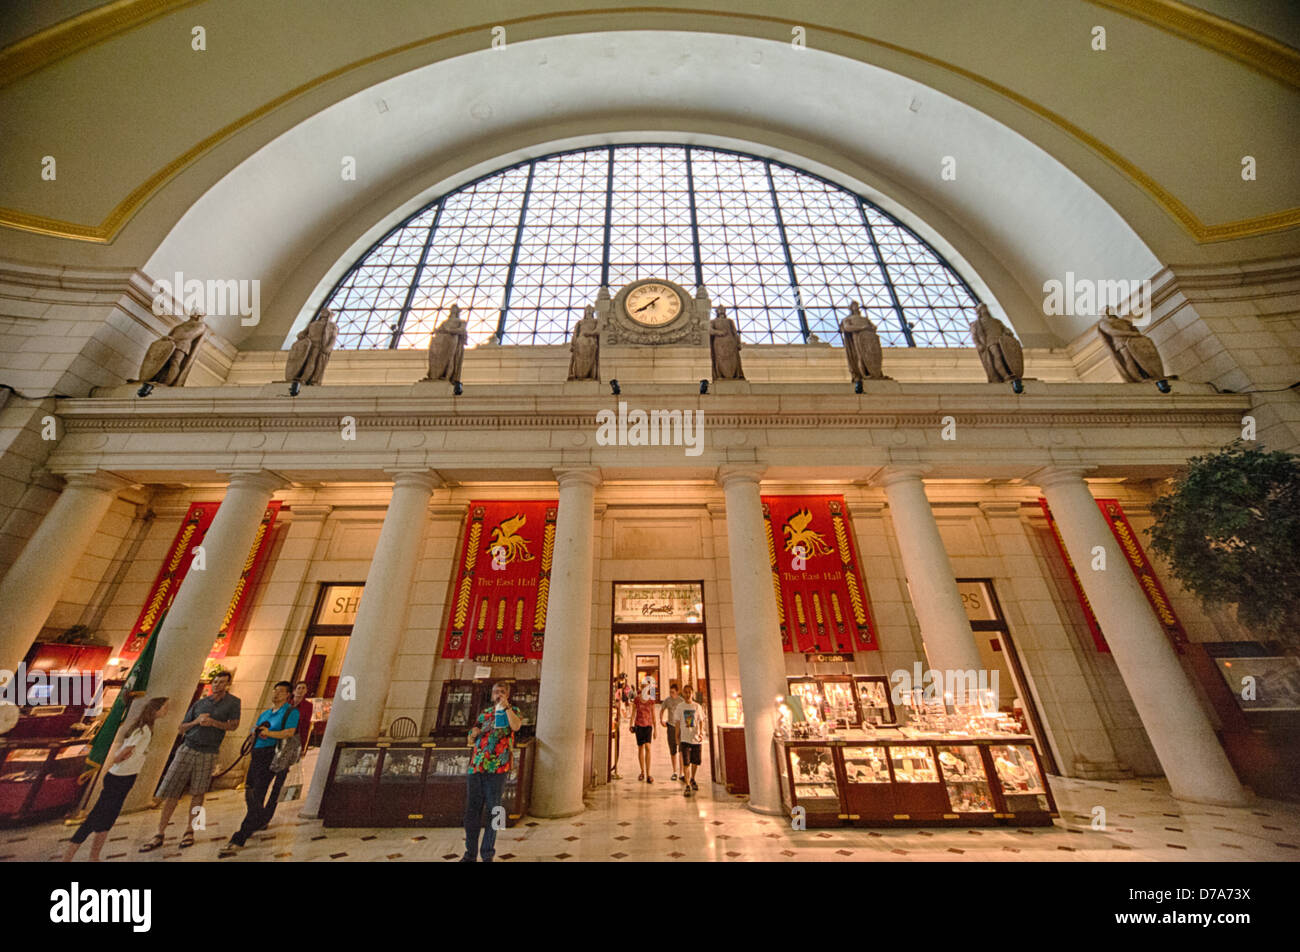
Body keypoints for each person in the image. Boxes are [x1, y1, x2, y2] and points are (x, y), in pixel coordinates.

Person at [140, 670, 240, 852]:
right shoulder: (200, 703)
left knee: (199, 793)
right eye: (215, 681)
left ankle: (191, 830)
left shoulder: (233, 703)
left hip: (208, 752)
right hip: (187, 748)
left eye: (222, 682)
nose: (218, 685)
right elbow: (181, 727)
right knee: (172, 791)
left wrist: (215, 723)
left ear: (228, 685)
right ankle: (159, 832)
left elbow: (233, 725)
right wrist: (197, 722)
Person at [64, 697, 169, 861]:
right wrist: (120, 759)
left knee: (108, 819)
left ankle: (94, 856)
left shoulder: (146, 728)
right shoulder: (143, 730)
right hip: (119, 778)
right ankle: (68, 857)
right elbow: (124, 752)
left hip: (126, 777)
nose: (167, 710)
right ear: (156, 709)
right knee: (96, 817)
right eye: (165, 707)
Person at [221, 681, 300, 855]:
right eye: (274, 691)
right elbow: (255, 729)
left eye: (280, 692)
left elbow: (289, 732)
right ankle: (260, 817)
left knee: (260, 792)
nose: (276, 694)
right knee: (250, 790)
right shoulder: (265, 713)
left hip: (275, 755)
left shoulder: (290, 712)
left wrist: (268, 733)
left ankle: (240, 835)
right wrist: (255, 732)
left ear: (288, 695)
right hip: (258, 753)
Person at [462, 681, 522, 862]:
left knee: (495, 810)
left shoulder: (513, 711)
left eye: (502, 692)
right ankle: (469, 854)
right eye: (496, 691)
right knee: (471, 811)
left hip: (498, 769)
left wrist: (507, 707)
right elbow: (472, 738)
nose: (498, 694)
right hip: (477, 766)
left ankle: (488, 853)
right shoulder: (485, 714)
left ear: (507, 695)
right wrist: (472, 734)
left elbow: (516, 726)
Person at [261, 681, 314, 830]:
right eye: (299, 687)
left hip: (289, 746)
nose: (301, 690)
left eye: (304, 688)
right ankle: (258, 813)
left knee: (280, 781)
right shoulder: (283, 707)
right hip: (272, 745)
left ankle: (267, 814)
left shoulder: (307, 707)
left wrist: (302, 747)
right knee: (263, 781)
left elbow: (304, 727)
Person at [672, 684, 706, 796]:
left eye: (689, 692)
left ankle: (692, 778)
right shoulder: (680, 707)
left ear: (692, 693)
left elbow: (701, 720)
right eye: (685, 692)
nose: (687, 694)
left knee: (695, 761)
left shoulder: (697, 707)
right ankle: (687, 785)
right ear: (683, 693)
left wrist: (701, 732)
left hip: (696, 738)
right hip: (685, 738)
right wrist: (677, 736)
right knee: (686, 762)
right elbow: (677, 722)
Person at [631, 681, 657, 782]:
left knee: (648, 747)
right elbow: (633, 712)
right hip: (639, 725)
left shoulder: (651, 700)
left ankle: (649, 773)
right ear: (641, 688)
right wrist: (631, 724)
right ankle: (642, 771)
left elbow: (653, 714)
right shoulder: (637, 699)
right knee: (640, 747)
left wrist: (655, 730)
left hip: (648, 726)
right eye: (643, 687)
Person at [660, 682, 684, 782]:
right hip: (671, 727)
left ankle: (681, 772)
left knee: (681, 750)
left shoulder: (681, 701)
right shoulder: (667, 700)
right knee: (673, 750)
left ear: (677, 692)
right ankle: (674, 771)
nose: (671, 694)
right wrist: (661, 720)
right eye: (670, 692)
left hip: (680, 727)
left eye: (673, 692)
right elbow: (662, 710)